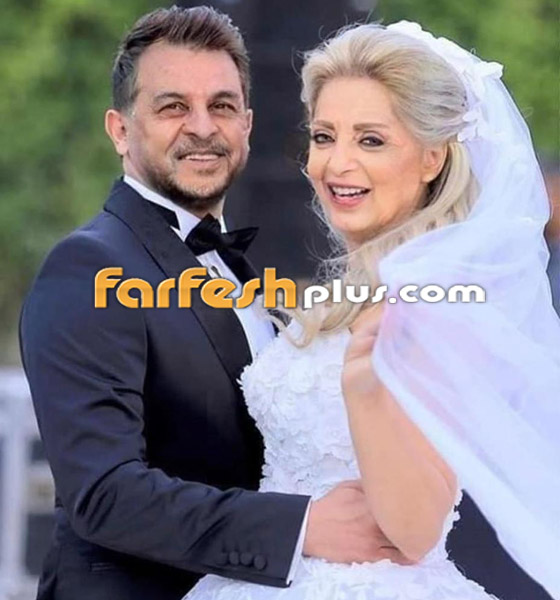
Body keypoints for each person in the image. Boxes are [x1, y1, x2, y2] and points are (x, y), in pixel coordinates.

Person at [18, 7, 403, 600]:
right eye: (173, 107)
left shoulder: (238, 268)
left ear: (246, 125)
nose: (202, 127)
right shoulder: (89, 268)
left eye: (221, 106)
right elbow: (104, 493)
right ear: (120, 130)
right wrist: (302, 526)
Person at [183, 21, 560, 600]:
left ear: (432, 159)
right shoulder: (351, 295)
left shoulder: (434, 304)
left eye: (371, 141)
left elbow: (413, 533)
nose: (336, 164)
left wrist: (365, 387)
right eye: (324, 136)